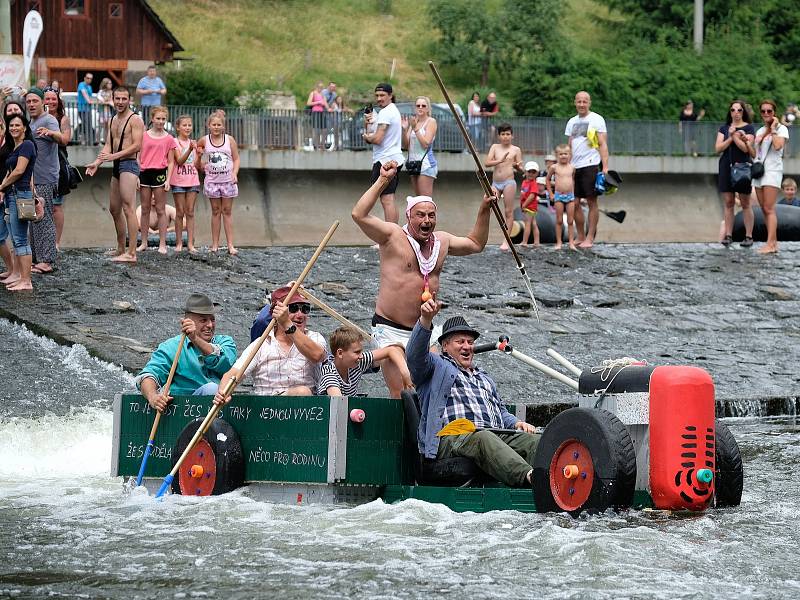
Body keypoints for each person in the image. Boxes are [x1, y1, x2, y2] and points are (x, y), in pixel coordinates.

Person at [351, 160, 493, 397]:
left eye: (431, 215)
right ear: (409, 217)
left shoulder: (442, 241)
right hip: (391, 330)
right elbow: (358, 214)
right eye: (420, 215)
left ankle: (435, 434)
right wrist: (383, 180)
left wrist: (484, 209)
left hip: (425, 329)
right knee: (403, 393)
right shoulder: (392, 235)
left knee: (436, 388)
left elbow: (476, 244)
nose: (426, 220)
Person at [406, 299, 540, 488]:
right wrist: (425, 320)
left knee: (535, 441)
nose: (467, 346)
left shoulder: (484, 377)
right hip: (451, 439)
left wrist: (516, 423)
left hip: (495, 434)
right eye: (460, 341)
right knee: (483, 438)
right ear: (444, 346)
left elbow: (500, 411)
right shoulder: (435, 367)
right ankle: (531, 478)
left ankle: (554, 482)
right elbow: (414, 356)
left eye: (470, 342)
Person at [214, 286, 327, 400]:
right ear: (276, 313)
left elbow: (317, 355)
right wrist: (223, 393)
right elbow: (233, 374)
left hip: (306, 412)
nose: (300, 314)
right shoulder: (261, 344)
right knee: (302, 392)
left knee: (302, 392)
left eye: (305, 309)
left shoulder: (315, 337)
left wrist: (288, 324)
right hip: (267, 410)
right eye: (293, 308)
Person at [136, 293, 237, 412]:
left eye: (212, 319)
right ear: (188, 322)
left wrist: (195, 339)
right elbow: (148, 375)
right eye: (203, 320)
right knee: (211, 389)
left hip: (221, 412)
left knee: (212, 389)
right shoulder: (172, 347)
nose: (209, 325)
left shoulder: (226, 342)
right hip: (184, 413)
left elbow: (225, 363)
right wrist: (153, 398)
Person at [85, 86, 144, 262]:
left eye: (123, 99)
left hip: (129, 164)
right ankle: (120, 248)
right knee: (114, 209)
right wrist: (97, 162)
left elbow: (136, 145)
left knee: (128, 208)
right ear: (112, 99)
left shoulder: (135, 120)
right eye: (117, 98)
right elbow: (108, 145)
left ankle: (132, 253)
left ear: (129, 99)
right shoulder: (112, 120)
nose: (120, 102)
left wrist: (113, 156)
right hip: (117, 164)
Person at [565, 91, 610, 249]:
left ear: (589, 103)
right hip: (575, 166)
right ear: (575, 103)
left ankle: (590, 237)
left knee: (591, 201)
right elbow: (569, 145)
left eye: (585, 101)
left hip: (591, 164)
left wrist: (605, 167)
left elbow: (603, 144)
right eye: (579, 101)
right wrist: (566, 166)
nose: (582, 104)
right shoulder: (571, 122)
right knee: (575, 202)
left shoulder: (597, 119)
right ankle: (581, 235)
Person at [0, 112, 37, 291]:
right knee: (16, 239)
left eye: (17, 125)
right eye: (11, 126)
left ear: (24, 128)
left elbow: (19, 171)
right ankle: (21, 277)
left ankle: (26, 280)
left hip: (20, 195)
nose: (14, 128)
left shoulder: (27, 145)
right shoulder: (15, 147)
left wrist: (1, 186)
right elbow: (11, 170)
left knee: (21, 240)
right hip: (12, 195)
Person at [26, 88, 60, 275]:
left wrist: (51, 133)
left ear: (42, 102)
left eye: (34, 101)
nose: (31, 104)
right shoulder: (31, 122)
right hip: (31, 179)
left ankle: (47, 260)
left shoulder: (49, 120)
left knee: (44, 218)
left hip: (45, 178)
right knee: (32, 220)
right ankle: (36, 259)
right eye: (28, 101)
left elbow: (63, 138)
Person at [316, 327, 407, 396]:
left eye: (361, 351)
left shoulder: (357, 362)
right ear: (340, 353)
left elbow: (391, 350)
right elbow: (337, 400)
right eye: (357, 352)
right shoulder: (329, 371)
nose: (360, 356)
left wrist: (405, 374)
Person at [196, 111, 240, 255]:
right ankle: (214, 244)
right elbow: (198, 163)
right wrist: (199, 158)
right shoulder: (204, 140)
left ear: (223, 126)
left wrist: (234, 173)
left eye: (219, 125)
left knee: (227, 211)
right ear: (209, 126)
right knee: (215, 211)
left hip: (228, 180)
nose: (216, 127)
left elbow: (236, 159)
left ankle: (230, 245)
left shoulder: (229, 140)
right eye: (213, 124)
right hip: (212, 181)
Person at [716, 99, 756, 248]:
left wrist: (734, 136)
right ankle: (728, 234)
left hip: (743, 166)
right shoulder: (724, 128)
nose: (736, 113)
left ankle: (749, 236)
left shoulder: (749, 128)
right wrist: (729, 136)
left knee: (745, 202)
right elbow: (718, 148)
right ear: (730, 112)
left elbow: (746, 149)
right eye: (733, 110)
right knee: (728, 202)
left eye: (739, 110)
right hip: (726, 165)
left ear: (743, 112)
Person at [136, 106, 177, 255]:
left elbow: (171, 161)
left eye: (163, 119)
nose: (160, 121)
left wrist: (168, 179)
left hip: (160, 173)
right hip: (144, 173)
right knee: (145, 208)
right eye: (158, 118)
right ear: (152, 119)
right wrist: (137, 176)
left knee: (161, 210)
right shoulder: (144, 136)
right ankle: (144, 242)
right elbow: (138, 156)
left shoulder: (169, 138)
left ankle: (162, 244)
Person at [362, 83, 404, 224]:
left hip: (385, 160)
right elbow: (375, 134)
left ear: (390, 96)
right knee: (387, 198)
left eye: (382, 95)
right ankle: (392, 234)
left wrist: (366, 137)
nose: (379, 99)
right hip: (391, 158)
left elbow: (377, 139)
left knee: (387, 199)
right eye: (377, 96)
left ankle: (391, 236)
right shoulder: (388, 111)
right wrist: (367, 124)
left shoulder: (386, 112)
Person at [752, 99, 790, 255]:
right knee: (764, 209)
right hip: (759, 171)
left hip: (772, 171)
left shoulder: (782, 129)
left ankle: (771, 243)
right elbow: (756, 152)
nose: (766, 114)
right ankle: (773, 243)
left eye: (769, 111)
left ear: (774, 113)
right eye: (763, 111)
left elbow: (777, 146)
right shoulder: (760, 131)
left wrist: (773, 129)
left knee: (769, 208)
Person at [484, 123, 523, 251]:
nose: (505, 137)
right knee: (487, 207)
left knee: (508, 211)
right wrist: (499, 160)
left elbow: (521, 168)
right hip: (495, 183)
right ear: (499, 136)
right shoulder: (495, 147)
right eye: (503, 134)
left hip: (508, 182)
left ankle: (507, 241)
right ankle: (482, 237)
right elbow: (487, 163)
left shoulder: (516, 149)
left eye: (508, 134)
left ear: (512, 136)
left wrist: (517, 166)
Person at [43, 87, 72, 251]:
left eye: (53, 99)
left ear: (58, 101)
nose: (50, 102)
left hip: (58, 165)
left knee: (56, 206)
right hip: (40, 165)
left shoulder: (63, 119)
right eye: (47, 99)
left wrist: (50, 132)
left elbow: (65, 140)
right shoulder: (37, 117)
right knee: (41, 206)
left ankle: (56, 243)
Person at [169, 115, 200, 252]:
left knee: (190, 212)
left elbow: (196, 165)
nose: (187, 128)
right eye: (184, 125)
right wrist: (190, 149)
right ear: (178, 127)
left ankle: (191, 244)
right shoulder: (174, 142)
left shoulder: (194, 143)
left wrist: (199, 154)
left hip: (192, 179)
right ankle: (179, 243)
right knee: (180, 212)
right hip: (178, 181)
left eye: (189, 125)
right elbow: (179, 161)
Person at [402, 96, 438, 198]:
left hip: (426, 164)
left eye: (423, 106)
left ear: (428, 108)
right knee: (418, 200)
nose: (420, 108)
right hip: (414, 164)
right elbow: (406, 146)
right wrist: (405, 130)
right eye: (418, 105)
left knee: (425, 202)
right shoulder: (414, 121)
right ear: (415, 108)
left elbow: (426, 144)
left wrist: (415, 129)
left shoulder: (431, 122)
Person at [546, 144, 577, 250]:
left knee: (570, 220)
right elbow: (548, 180)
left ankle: (571, 243)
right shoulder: (554, 167)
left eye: (566, 154)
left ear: (570, 155)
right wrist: (551, 193)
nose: (563, 156)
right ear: (557, 155)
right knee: (559, 220)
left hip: (570, 196)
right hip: (559, 195)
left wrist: (573, 193)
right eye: (561, 154)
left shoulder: (572, 168)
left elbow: (572, 180)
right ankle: (558, 242)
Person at [519, 161, 540, 248]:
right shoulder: (524, 182)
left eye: (533, 172)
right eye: (529, 171)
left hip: (530, 207)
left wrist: (524, 205)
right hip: (527, 206)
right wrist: (521, 204)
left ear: (537, 173)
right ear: (525, 172)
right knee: (533, 223)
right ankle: (536, 242)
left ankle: (524, 242)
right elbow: (522, 195)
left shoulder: (533, 183)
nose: (531, 174)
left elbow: (532, 195)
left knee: (527, 223)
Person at [306, 81, 328, 151]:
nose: (321, 88)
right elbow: (308, 103)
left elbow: (325, 103)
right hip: (315, 112)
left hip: (322, 112)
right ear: (317, 87)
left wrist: (328, 107)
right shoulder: (313, 93)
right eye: (319, 87)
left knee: (324, 129)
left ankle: (322, 144)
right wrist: (317, 102)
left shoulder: (322, 95)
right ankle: (315, 145)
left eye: (322, 87)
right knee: (316, 129)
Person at [76, 72, 94, 145]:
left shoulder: (90, 87)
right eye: (88, 78)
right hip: (82, 109)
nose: (89, 79)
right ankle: (85, 140)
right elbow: (84, 94)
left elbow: (90, 96)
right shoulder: (81, 84)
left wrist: (90, 101)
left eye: (90, 78)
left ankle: (89, 140)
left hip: (88, 109)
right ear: (85, 78)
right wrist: (88, 101)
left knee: (89, 124)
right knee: (85, 124)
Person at [96, 77, 114, 143]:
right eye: (109, 83)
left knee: (108, 127)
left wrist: (108, 101)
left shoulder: (111, 92)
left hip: (108, 112)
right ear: (105, 84)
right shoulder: (101, 92)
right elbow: (100, 101)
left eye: (111, 83)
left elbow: (112, 101)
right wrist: (108, 102)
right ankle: (97, 141)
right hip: (102, 112)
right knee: (101, 127)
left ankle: (107, 141)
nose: (110, 84)